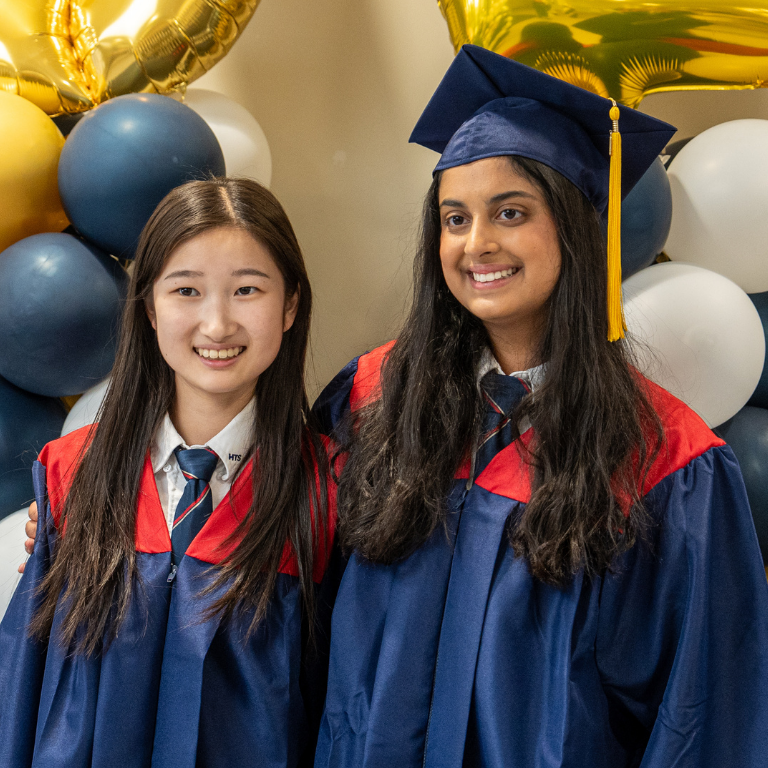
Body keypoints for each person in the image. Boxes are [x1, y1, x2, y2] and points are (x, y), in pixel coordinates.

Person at [312, 46, 768, 767]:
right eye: (454, 218)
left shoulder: (666, 463)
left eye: (511, 212)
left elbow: (704, 713)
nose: (476, 243)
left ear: (574, 229)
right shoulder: (371, 400)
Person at [1, 178, 339, 768]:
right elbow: (21, 689)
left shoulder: (329, 493)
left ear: (289, 307)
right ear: (149, 309)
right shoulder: (73, 473)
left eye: (247, 290)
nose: (216, 324)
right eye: (186, 289)